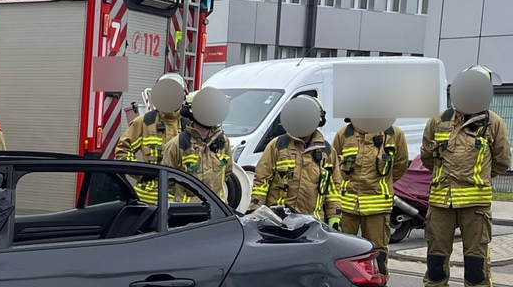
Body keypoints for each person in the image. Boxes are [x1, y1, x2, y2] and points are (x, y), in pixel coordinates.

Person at [410, 65, 511, 287]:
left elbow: (502, 162)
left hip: (475, 206)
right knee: (435, 257)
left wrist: (477, 179)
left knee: (476, 262)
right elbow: (428, 157)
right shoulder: (438, 121)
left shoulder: (494, 124)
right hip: (441, 202)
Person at [331, 119, 409, 274]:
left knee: (377, 254)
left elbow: (400, 166)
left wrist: (382, 185)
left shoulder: (394, 135)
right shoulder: (344, 134)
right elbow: (333, 167)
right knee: (342, 253)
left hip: (377, 208)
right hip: (347, 207)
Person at [249, 95, 342, 226]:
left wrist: (334, 217)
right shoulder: (277, 146)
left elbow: (333, 190)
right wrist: (256, 210)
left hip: (312, 223)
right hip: (279, 221)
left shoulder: (327, 152)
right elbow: (261, 181)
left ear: (319, 120)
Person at [116, 73, 186, 201]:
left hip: (179, 203)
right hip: (146, 201)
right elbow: (122, 151)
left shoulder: (189, 126)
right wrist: (142, 173)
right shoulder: (145, 122)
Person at [162, 89, 234, 202]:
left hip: (217, 210)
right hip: (188, 211)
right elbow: (167, 181)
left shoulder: (223, 142)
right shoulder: (177, 144)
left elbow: (227, 171)